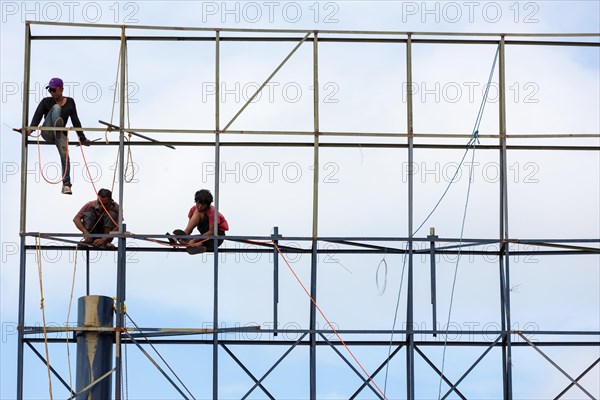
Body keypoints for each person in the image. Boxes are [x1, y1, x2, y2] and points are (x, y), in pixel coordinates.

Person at [27, 77, 91, 195]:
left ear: (61, 89)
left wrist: (82, 138)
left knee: (65, 155)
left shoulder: (70, 102)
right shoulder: (46, 101)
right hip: (48, 132)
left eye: (53, 90)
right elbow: (37, 117)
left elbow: (75, 120)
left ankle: (66, 184)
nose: (51, 93)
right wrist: (29, 131)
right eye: (49, 90)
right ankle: (57, 127)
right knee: (56, 108)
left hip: (60, 135)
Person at [170, 189, 229, 254]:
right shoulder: (193, 209)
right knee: (196, 212)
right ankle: (187, 241)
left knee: (197, 240)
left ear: (207, 205)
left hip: (216, 237)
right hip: (203, 236)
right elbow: (190, 227)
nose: (200, 206)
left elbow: (212, 232)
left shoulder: (212, 212)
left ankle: (194, 245)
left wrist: (195, 239)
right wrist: (180, 238)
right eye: (198, 203)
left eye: (203, 205)